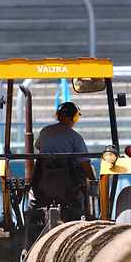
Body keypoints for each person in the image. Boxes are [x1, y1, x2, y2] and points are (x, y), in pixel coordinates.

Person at [24, 101, 96, 249]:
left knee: (32, 201)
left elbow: (38, 147)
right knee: (87, 181)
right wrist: (93, 179)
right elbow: (84, 163)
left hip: (42, 187)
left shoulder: (45, 132)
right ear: (74, 118)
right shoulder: (75, 137)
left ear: (58, 116)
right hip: (69, 190)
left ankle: (29, 237)